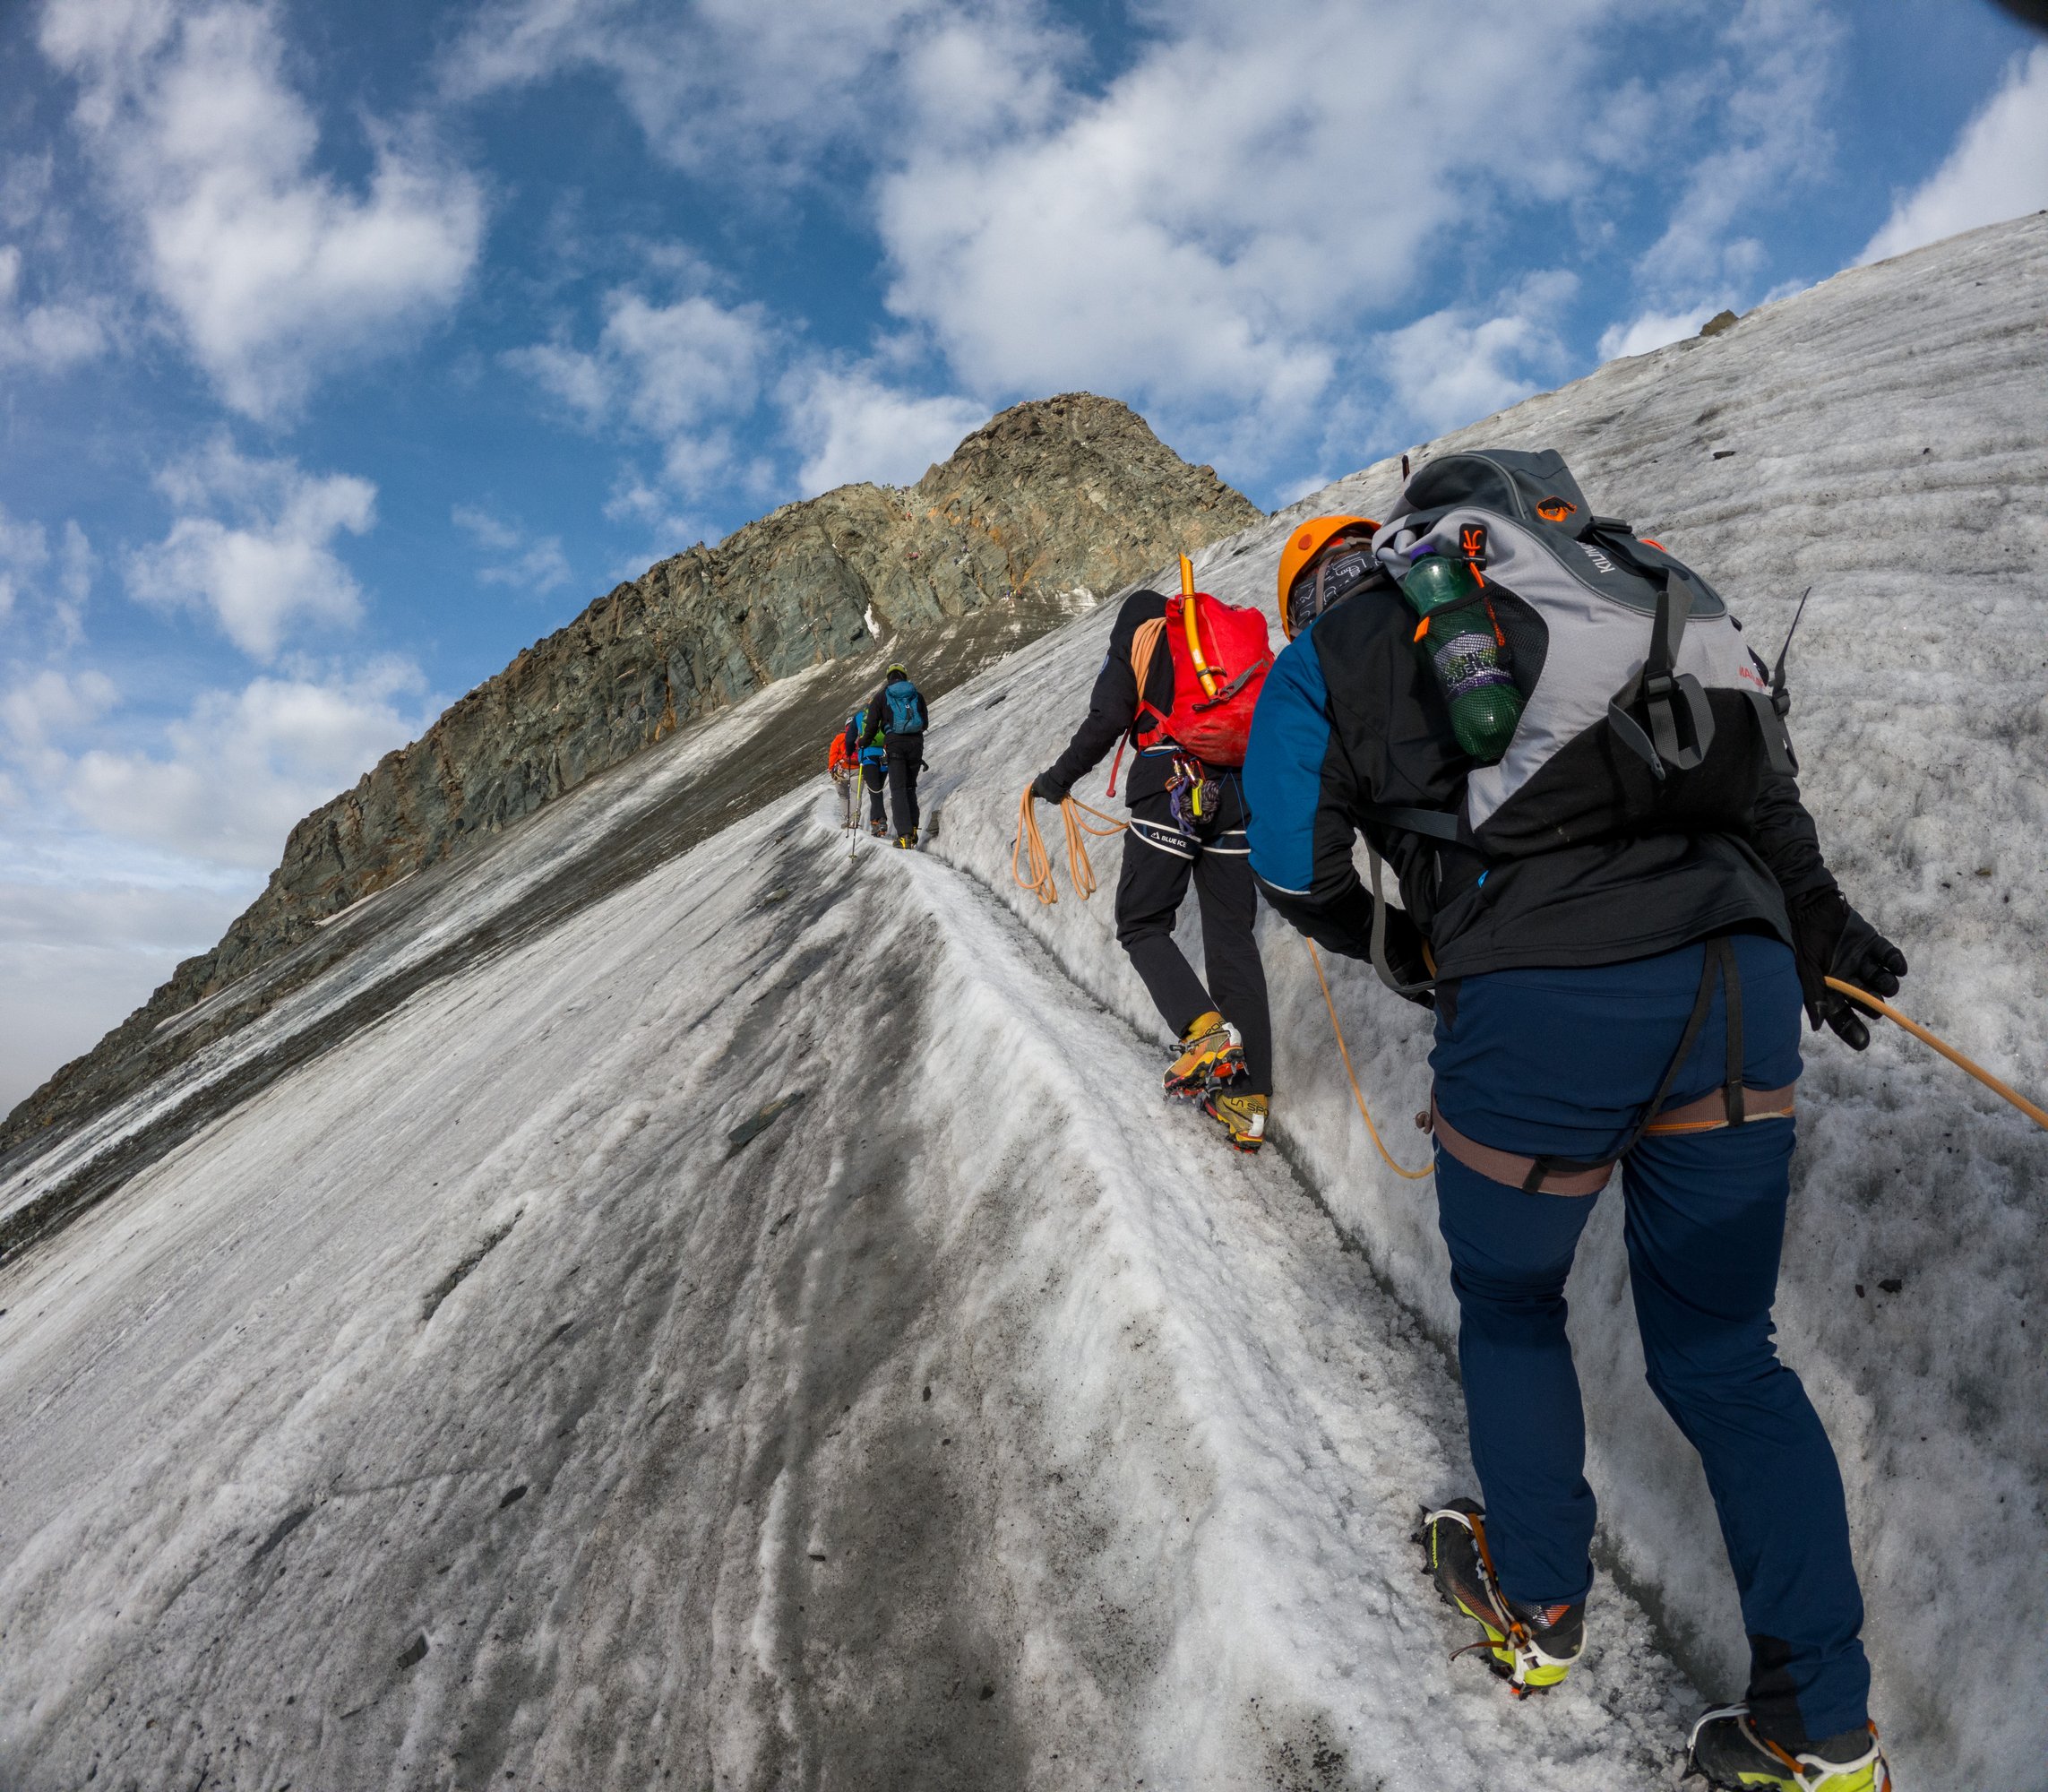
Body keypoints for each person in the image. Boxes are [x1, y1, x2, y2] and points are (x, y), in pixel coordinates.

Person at [1243, 463, 1905, 1791]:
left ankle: (1537, 1607)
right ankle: (1819, 1730)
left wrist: (1412, 946)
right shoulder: (1632, 584)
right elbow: (1757, 786)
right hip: (1740, 980)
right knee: (1726, 1356)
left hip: (1543, 1000)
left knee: (1510, 1302)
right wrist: (1816, 918)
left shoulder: (1334, 645)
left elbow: (1287, 866)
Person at [1029, 583, 1275, 1151]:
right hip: (1237, 787)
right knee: (1232, 937)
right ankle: (1247, 1100)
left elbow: (1108, 716)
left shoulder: (1138, 633)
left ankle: (1205, 1033)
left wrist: (1056, 779)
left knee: (1141, 923)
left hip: (1172, 783)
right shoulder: (1209, 647)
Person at [860, 661, 929, 848]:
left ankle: (904, 836)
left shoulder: (882, 696)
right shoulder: (916, 694)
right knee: (909, 788)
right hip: (916, 744)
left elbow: (872, 726)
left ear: (888, 678)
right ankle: (913, 831)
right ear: (904, 676)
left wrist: (863, 742)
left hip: (895, 745)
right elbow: (925, 723)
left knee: (898, 790)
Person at [839, 705, 889, 836]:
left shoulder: (859, 717)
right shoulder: (884, 713)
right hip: (884, 756)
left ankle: (881, 820)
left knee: (874, 790)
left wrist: (849, 752)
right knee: (877, 790)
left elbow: (849, 739)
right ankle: (875, 822)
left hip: (867, 757)